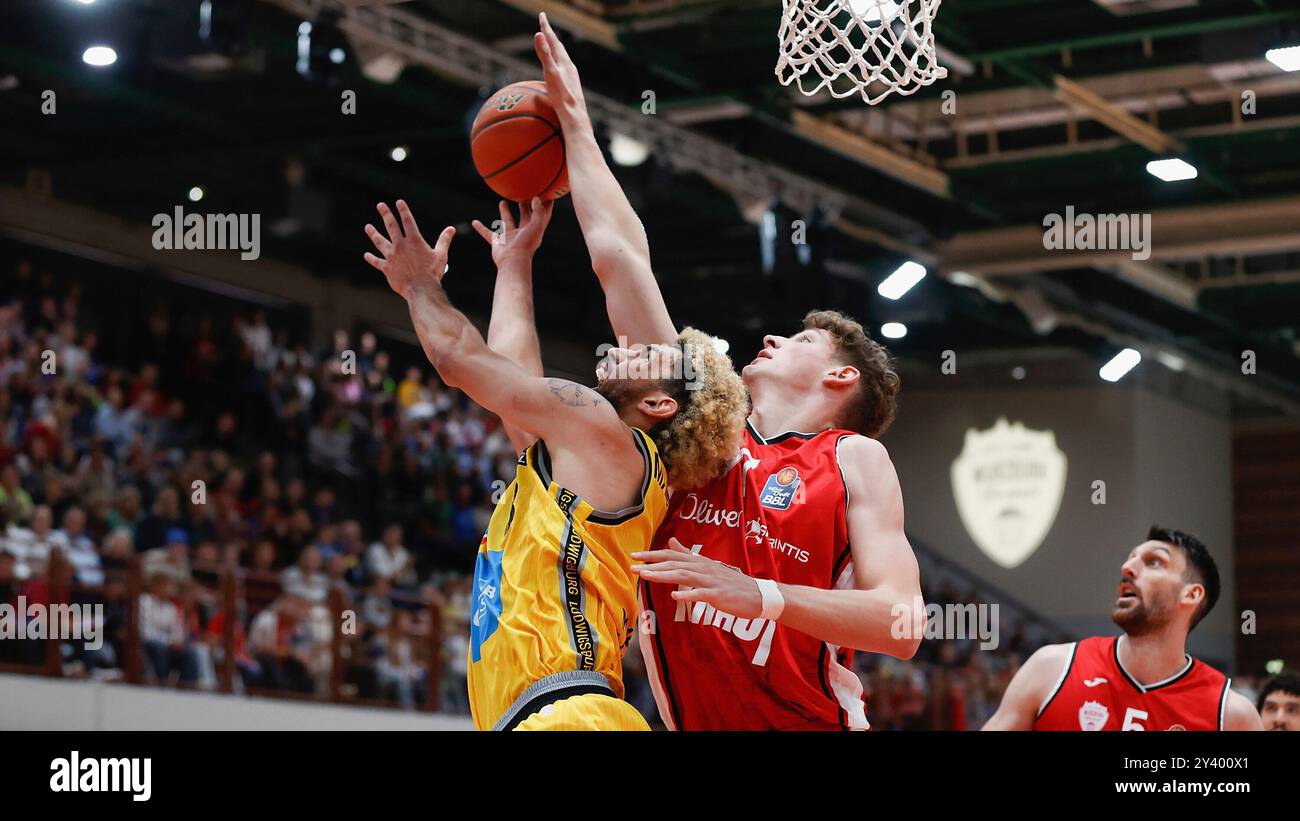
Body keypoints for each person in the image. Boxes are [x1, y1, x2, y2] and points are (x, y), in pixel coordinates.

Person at [533, 13, 923, 730]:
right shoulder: (699, 425)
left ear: (841, 381)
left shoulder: (854, 458)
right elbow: (622, 263)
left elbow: (901, 622)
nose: (773, 334)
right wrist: (579, 127)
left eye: (804, 339)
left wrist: (763, 594)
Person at [361, 196, 746, 730]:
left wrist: (417, 284)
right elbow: (509, 373)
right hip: (552, 713)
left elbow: (460, 360)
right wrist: (515, 263)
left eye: (652, 355)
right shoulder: (586, 452)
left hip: (568, 712)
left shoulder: (603, 430)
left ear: (660, 405)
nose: (629, 345)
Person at [983, 526, 1261, 731]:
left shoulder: (1231, 715)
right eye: (1131, 559)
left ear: (1190, 595)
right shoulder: (1051, 668)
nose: (1127, 567)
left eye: (1154, 562)